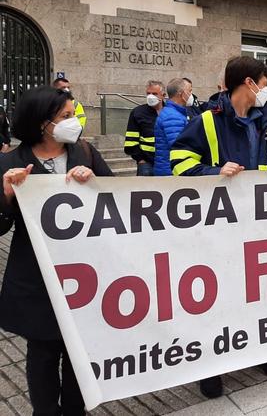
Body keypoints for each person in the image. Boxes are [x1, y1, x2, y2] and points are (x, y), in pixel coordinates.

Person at [169, 56, 267, 398]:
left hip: (258, 224)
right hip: (218, 227)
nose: (266, 91)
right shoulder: (208, 120)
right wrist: (213, 172)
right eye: (263, 84)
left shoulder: (265, 121)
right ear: (248, 83)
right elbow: (180, 163)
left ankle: (262, 351)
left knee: (260, 293)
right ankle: (211, 366)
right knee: (218, 299)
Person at [0, 86, 112, 415]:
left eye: (74, 114)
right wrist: (7, 195)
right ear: (41, 123)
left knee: (78, 350)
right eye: (66, 116)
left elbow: (116, 201)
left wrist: (94, 183)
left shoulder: (86, 153)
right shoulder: (10, 161)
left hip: (84, 273)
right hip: (36, 275)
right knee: (43, 351)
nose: (74, 121)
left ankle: (76, 410)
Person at [124, 80, 165, 176]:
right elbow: (131, 141)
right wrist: (140, 160)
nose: (151, 96)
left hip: (166, 162)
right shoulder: (138, 112)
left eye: (154, 93)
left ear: (163, 95)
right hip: (146, 164)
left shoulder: (170, 112)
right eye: (148, 93)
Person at [153, 78, 192, 176]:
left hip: (168, 169)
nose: (191, 94)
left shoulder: (175, 113)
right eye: (190, 91)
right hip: (171, 171)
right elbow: (179, 146)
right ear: (181, 94)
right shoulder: (172, 116)